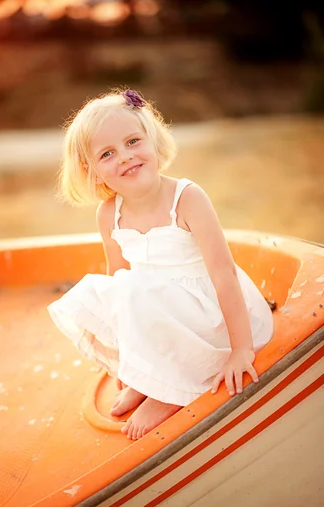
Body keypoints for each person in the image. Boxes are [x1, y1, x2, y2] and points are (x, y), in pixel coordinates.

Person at [48, 89, 274, 440]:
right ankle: (148, 377)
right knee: (118, 287)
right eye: (107, 153)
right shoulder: (109, 213)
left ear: (153, 140)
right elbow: (118, 281)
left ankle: (167, 394)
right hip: (161, 311)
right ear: (91, 172)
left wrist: (240, 348)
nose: (125, 157)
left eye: (133, 141)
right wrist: (132, 358)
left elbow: (224, 274)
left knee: (136, 289)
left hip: (208, 313)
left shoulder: (187, 198)